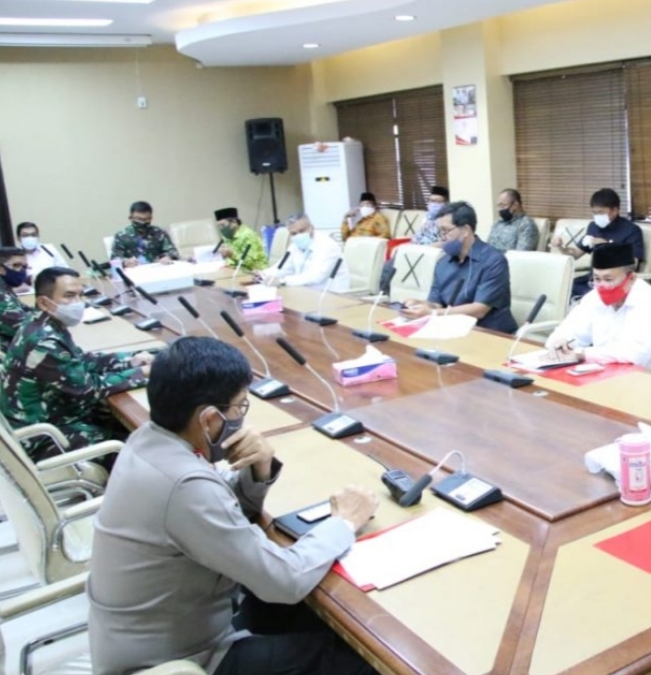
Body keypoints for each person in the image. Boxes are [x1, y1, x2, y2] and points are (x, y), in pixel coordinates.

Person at [88, 337, 378, 675]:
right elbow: (284, 581)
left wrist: (259, 468)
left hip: (149, 639)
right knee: (360, 659)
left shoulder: (148, 440)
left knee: (307, 616)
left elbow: (219, 510)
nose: (241, 416)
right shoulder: (185, 485)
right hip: (183, 662)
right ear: (209, 418)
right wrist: (344, 522)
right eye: (240, 406)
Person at [0, 267, 152, 460]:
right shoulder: (44, 341)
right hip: (44, 438)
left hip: (56, 416)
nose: (78, 302)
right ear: (44, 302)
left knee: (126, 425)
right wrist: (142, 373)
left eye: (80, 295)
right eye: (69, 296)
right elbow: (88, 390)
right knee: (141, 447)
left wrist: (129, 360)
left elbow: (81, 361)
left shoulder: (42, 324)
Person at [545, 243, 651, 372]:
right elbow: (569, 330)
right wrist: (560, 342)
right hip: (607, 372)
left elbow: (635, 354)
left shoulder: (650, 301)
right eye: (597, 279)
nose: (601, 286)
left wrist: (581, 353)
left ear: (631, 278)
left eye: (608, 280)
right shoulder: (593, 297)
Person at [402, 201, 518, 335]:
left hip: (489, 333)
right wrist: (421, 304)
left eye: (445, 230)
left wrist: (433, 313)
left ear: (466, 230)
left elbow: (479, 310)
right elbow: (437, 303)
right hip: (451, 329)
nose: (441, 237)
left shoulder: (493, 260)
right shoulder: (443, 262)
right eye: (439, 231)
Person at [551, 188, 644, 300]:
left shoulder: (631, 230)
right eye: (594, 213)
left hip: (614, 282)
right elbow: (575, 254)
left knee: (585, 298)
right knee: (560, 289)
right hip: (592, 279)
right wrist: (561, 247)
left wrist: (608, 245)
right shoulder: (593, 227)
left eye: (600, 213)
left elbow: (633, 264)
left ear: (614, 210)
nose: (597, 217)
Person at [257, 213, 349, 291]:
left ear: (311, 228)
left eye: (302, 231)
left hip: (332, 297)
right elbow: (281, 268)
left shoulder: (327, 245)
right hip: (306, 294)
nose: (298, 236)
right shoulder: (295, 246)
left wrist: (283, 281)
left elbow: (315, 276)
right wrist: (262, 275)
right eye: (294, 233)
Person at [111, 201, 181, 267]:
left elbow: (173, 251)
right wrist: (125, 262)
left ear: (151, 218)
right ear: (130, 218)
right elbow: (114, 259)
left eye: (146, 219)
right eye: (139, 219)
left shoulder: (159, 232)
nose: (142, 222)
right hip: (134, 270)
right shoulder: (121, 236)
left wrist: (167, 257)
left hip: (157, 268)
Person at [214, 207, 269, 272]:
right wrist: (228, 263)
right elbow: (230, 260)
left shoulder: (248, 235)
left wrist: (232, 254)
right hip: (238, 270)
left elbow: (250, 261)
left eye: (223, 225)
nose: (221, 229)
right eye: (219, 226)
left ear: (234, 222)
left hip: (255, 271)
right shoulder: (228, 236)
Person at [0, 247, 34, 347]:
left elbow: (24, 309)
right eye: (16, 265)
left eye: (24, 266)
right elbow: (26, 328)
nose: (22, 271)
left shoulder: (4, 286)